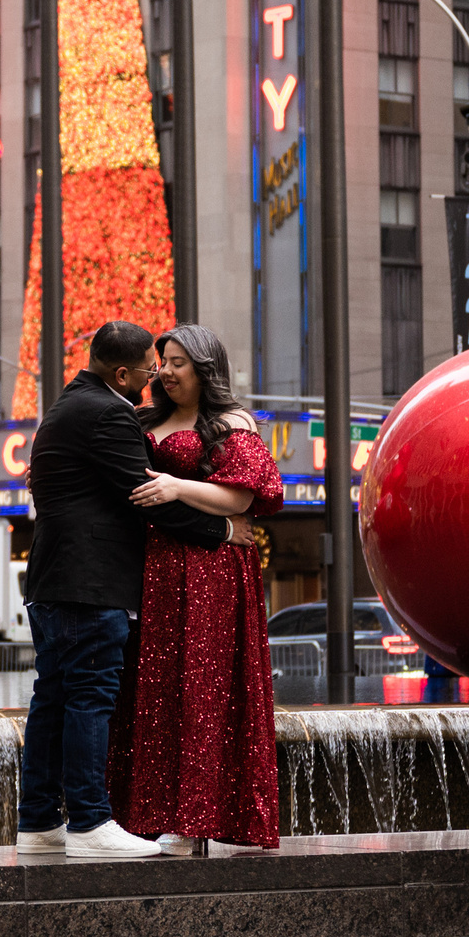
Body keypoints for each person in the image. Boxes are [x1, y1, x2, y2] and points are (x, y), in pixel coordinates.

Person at [17, 320, 249, 859]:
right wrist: (222, 531)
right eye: (150, 368)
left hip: (52, 581)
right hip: (90, 586)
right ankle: (90, 823)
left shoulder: (66, 405)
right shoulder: (110, 412)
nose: (156, 377)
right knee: (89, 698)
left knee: (52, 700)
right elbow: (148, 498)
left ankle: (39, 822)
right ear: (122, 374)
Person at [109, 324, 286, 854]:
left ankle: (192, 820)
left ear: (205, 368)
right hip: (153, 569)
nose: (165, 371)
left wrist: (175, 486)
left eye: (178, 362)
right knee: (151, 691)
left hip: (211, 572)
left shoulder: (231, 423)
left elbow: (241, 499)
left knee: (202, 690)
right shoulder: (142, 419)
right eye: (162, 361)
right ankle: (141, 815)